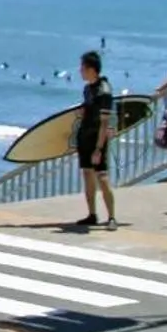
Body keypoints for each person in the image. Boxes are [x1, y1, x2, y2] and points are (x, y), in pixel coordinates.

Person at [75, 51, 118, 228]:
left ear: (91, 69)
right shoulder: (88, 89)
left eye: (83, 68)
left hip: (97, 139)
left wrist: (99, 149)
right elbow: (88, 109)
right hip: (84, 136)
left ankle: (112, 217)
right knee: (87, 174)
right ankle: (92, 214)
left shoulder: (104, 91)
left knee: (102, 176)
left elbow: (105, 123)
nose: (80, 71)